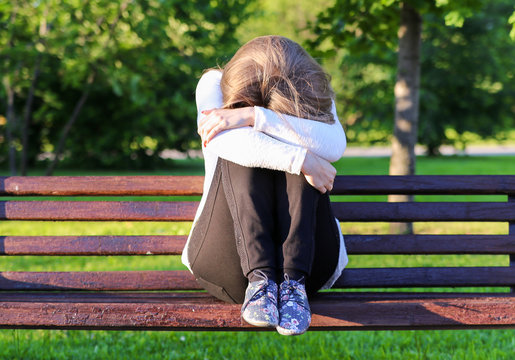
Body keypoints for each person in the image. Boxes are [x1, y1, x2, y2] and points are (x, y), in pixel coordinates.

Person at [182, 36, 348, 336]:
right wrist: (302, 159)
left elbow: (334, 146)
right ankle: (260, 280)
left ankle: (292, 283)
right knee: (241, 150)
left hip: (313, 266)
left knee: (308, 150)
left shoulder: (310, 89)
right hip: (228, 264)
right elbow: (226, 142)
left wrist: (253, 116)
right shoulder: (212, 84)